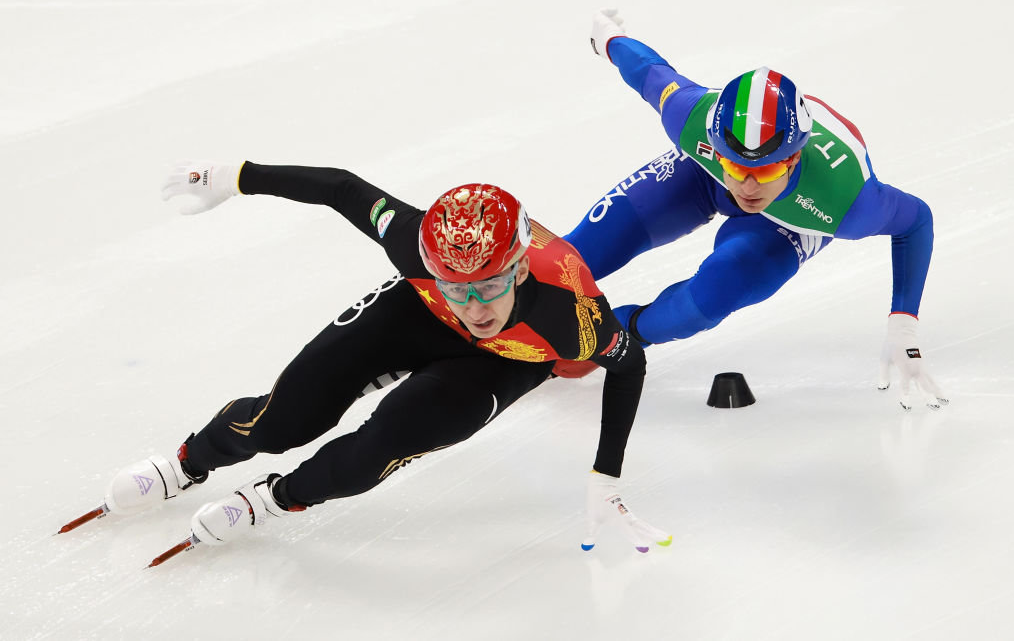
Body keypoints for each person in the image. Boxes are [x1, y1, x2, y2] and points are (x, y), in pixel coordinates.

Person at [61, 161, 670, 557]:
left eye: (487, 285)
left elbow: (630, 361)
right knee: (285, 418)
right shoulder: (415, 243)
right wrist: (237, 176)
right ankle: (188, 462)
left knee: (385, 443)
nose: (474, 305)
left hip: (509, 358)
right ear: (430, 266)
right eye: (456, 285)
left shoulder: (571, 316)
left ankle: (274, 498)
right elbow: (342, 189)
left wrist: (606, 473)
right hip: (414, 312)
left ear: (516, 268)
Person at [568, 9, 948, 411]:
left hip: (793, 217)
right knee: (572, 259)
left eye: (765, 170)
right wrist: (608, 38)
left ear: (794, 158)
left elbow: (916, 220)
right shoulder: (692, 116)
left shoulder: (850, 203)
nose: (748, 186)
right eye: (736, 166)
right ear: (716, 146)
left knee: (712, 296)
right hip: (705, 178)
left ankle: (618, 332)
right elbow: (647, 71)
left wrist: (903, 321)